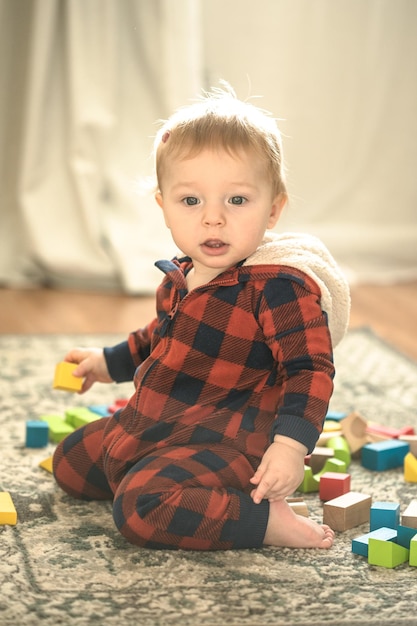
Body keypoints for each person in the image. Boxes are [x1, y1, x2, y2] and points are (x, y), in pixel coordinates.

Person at [53, 85, 350, 551]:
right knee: (70, 461)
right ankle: (173, 484)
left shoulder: (277, 287)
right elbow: (161, 338)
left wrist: (289, 447)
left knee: (139, 509)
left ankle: (260, 520)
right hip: (164, 421)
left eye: (236, 201)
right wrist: (106, 362)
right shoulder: (182, 274)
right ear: (164, 206)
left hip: (231, 442)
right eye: (191, 201)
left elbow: (308, 370)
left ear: (272, 210)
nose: (213, 219)